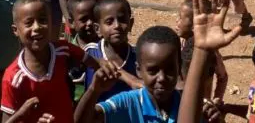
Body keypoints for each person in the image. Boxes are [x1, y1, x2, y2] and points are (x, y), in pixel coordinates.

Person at [0, 0, 111, 123]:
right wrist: (21, 113)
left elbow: (96, 63)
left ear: (52, 22)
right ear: (15, 30)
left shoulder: (63, 50)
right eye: (29, 23)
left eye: (43, 20)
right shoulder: (13, 78)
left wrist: (104, 67)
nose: (37, 27)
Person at [76, 24, 221, 123]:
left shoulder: (190, 104)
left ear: (179, 67)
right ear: (138, 70)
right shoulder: (129, 103)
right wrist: (93, 91)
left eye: (169, 69)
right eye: (153, 70)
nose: (162, 78)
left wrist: (215, 119)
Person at [83, 0, 141, 101]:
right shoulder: (91, 52)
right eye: (109, 22)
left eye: (122, 20)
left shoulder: (138, 57)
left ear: (131, 23)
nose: (117, 26)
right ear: (97, 29)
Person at [175, 0, 228, 100]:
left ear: (195, 25)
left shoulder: (210, 52)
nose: (177, 20)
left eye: (181, 18)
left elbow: (223, 76)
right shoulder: (178, 44)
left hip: (202, 106)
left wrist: (217, 98)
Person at [66, 0, 99, 103]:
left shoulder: (106, 50)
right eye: (84, 19)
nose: (90, 23)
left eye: (94, 18)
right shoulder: (67, 54)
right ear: (71, 23)